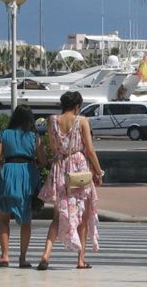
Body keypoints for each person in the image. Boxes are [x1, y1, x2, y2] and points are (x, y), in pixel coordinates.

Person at [36, 91, 103, 270]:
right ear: (77, 106)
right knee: (83, 215)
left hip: (60, 167)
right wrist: (98, 171)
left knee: (57, 216)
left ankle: (46, 254)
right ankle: (80, 259)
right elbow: (90, 149)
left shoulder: (52, 120)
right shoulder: (82, 121)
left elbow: (53, 147)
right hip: (79, 168)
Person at [0, 106, 46, 268]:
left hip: (8, 172)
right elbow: (43, 160)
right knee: (26, 219)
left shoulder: (3, 134)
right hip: (27, 173)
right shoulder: (34, 137)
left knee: (3, 218)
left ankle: (5, 255)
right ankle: (22, 258)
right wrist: (34, 166)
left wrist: (4, 168)